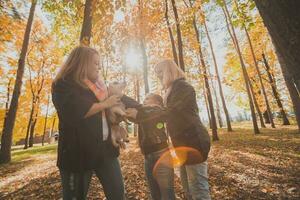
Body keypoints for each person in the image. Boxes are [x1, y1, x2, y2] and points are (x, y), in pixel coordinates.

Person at [126, 59, 211, 200]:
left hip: (194, 142)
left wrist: (140, 113)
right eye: (156, 73)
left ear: (169, 71)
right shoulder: (171, 91)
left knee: (198, 189)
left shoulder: (183, 88)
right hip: (182, 145)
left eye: (160, 72)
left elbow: (170, 112)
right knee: (188, 190)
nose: (158, 75)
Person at [52, 46, 125, 200]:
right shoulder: (62, 84)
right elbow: (74, 111)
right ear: (82, 63)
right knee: (75, 197)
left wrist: (117, 126)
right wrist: (106, 104)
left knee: (117, 192)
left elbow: (111, 112)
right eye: (95, 63)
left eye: (99, 63)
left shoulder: (100, 86)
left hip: (106, 150)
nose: (99, 67)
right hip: (78, 153)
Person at [129, 93, 175, 200]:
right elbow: (132, 115)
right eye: (144, 99)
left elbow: (156, 114)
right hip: (148, 157)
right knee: (154, 193)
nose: (144, 101)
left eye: (147, 98)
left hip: (162, 155)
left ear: (158, 102)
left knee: (167, 193)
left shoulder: (158, 111)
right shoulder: (143, 113)